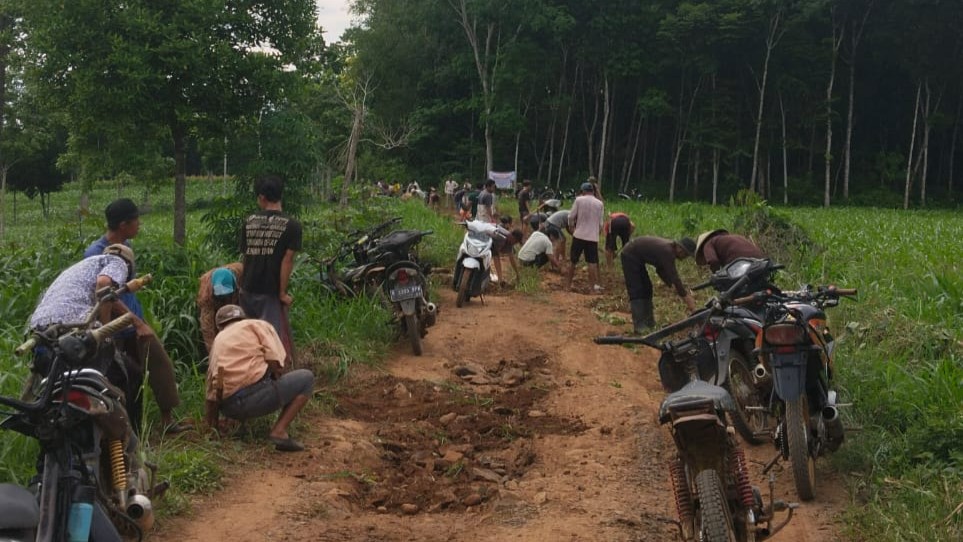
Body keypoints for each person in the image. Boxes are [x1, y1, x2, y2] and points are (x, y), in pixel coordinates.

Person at [31, 244, 181, 433]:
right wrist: (106, 331)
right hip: (73, 328)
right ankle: (130, 439)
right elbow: (104, 286)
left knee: (58, 388)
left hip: (42, 333)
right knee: (129, 376)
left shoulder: (76, 270)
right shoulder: (115, 262)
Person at [83, 199, 183, 434]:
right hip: (116, 326)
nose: (139, 224)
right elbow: (106, 295)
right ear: (123, 224)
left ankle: (167, 419)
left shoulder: (125, 246)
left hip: (133, 319)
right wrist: (135, 322)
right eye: (136, 220)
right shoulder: (95, 253)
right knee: (125, 377)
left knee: (159, 363)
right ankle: (128, 430)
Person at [204, 305, 314, 452]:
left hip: (230, 408)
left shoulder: (218, 341)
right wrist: (275, 375)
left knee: (245, 381)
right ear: (242, 318)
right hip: (255, 398)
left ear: (219, 326)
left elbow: (212, 391)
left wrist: (212, 427)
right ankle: (279, 431)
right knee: (306, 378)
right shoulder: (256, 325)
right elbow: (277, 362)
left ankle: (242, 426)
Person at [240, 175, 302, 365]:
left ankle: (252, 379)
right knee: (270, 342)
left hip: (247, 288)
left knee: (249, 340)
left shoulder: (249, 221)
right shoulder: (292, 225)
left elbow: (245, 257)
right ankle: (273, 383)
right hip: (269, 293)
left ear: (262, 197)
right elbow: (287, 260)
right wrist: (282, 293)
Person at [620, 236, 698, 333]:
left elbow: (660, 269)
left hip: (637, 258)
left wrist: (670, 285)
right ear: (680, 249)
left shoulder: (668, 250)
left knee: (647, 288)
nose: (684, 257)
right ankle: (639, 326)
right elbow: (675, 277)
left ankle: (649, 323)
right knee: (637, 289)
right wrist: (687, 299)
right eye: (686, 255)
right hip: (629, 255)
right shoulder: (667, 252)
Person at [564, 182, 605, 293]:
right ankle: (592, 289)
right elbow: (601, 224)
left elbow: (571, 216)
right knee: (591, 263)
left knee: (573, 261)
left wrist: (572, 228)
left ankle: (567, 286)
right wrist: (597, 233)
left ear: (583, 191)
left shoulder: (579, 200)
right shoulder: (599, 204)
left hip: (579, 235)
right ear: (593, 191)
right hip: (592, 237)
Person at [197, 263, 244, 354]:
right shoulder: (207, 291)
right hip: (215, 302)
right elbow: (207, 325)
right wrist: (213, 352)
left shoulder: (241, 273)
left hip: (238, 297)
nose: (225, 296)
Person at [694, 229, 766, 272]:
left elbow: (713, 261)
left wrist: (716, 275)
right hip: (762, 261)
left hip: (741, 263)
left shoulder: (708, 244)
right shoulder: (734, 237)